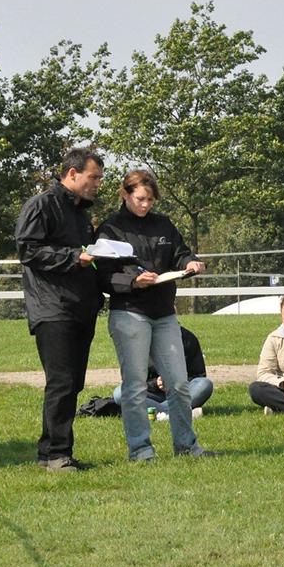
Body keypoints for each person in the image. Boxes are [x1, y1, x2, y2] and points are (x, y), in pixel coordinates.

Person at [97, 169, 213, 461]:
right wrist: (134, 282)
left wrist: (191, 262)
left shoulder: (164, 224)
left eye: (150, 199)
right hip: (129, 313)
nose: (145, 204)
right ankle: (141, 450)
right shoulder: (110, 229)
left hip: (164, 313)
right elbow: (102, 277)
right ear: (125, 194)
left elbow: (180, 253)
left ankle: (187, 446)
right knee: (134, 386)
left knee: (178, 383)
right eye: (140, 198)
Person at [16, 148, 105, 472]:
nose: (98, 183)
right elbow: (28, 249)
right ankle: (55, 454)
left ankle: (53, 451)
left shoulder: (81, 215)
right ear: (72, 174)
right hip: (52, 307)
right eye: (93, 177)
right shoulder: (41, 205)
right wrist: (72, 257)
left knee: (73, 382)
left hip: (81, 307)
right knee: (62, 381)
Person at [112, 325, 213, 419]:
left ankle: (159, 412)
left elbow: (198, 375)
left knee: (205, 385)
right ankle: (173, 413)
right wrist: (156, 383)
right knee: (120, 393)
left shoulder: (188, 338)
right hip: (152, 395)